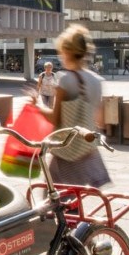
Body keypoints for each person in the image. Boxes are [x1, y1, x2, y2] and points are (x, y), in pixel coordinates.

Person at [43, 25, 110, 189]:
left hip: (67, 150)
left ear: (67, 51)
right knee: (76, 198)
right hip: (88, 150)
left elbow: (55, 118)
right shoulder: (97, 80)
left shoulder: (65, 80)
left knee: (55, 198)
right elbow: (100, 120)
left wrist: (36, 105)